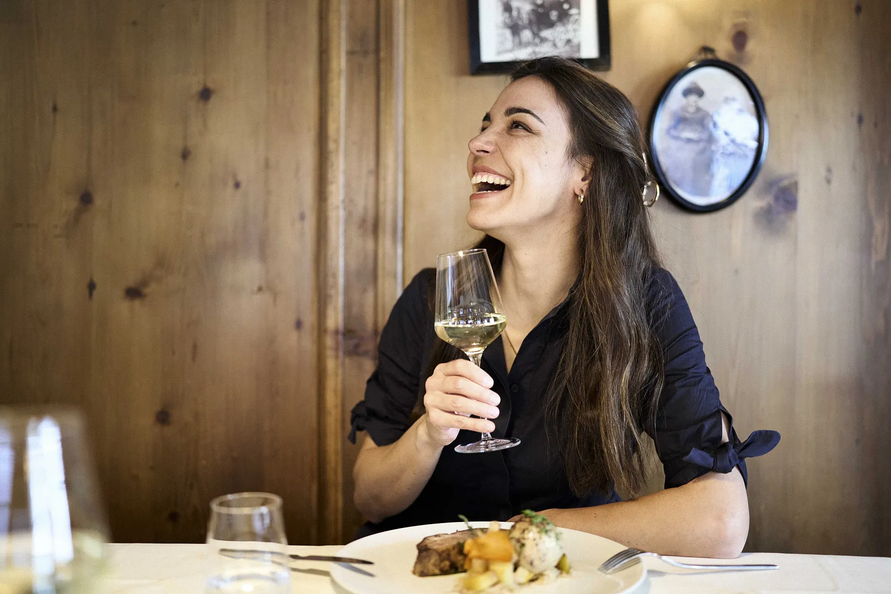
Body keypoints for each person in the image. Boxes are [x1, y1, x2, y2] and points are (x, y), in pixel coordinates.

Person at [349, 57, 779, 558]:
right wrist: (428, 433)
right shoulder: (430, 299)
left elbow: (720, 520)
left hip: (567, 578)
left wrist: (538, 531)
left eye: (518, 126)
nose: (478, 143)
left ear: (585, 173)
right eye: (485, 125)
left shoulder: (644, 303)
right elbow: (370, 498)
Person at [664, 81, 714, 197]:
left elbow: (708, 133)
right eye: (691, 98)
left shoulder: (705, 114)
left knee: (697, 173)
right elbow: (670, 131)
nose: (693, 101)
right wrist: (682, 134)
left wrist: (697, 136)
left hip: (698, 151)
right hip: (680, 150)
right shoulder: (677, 113)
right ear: (686, 98)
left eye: (696, 98)